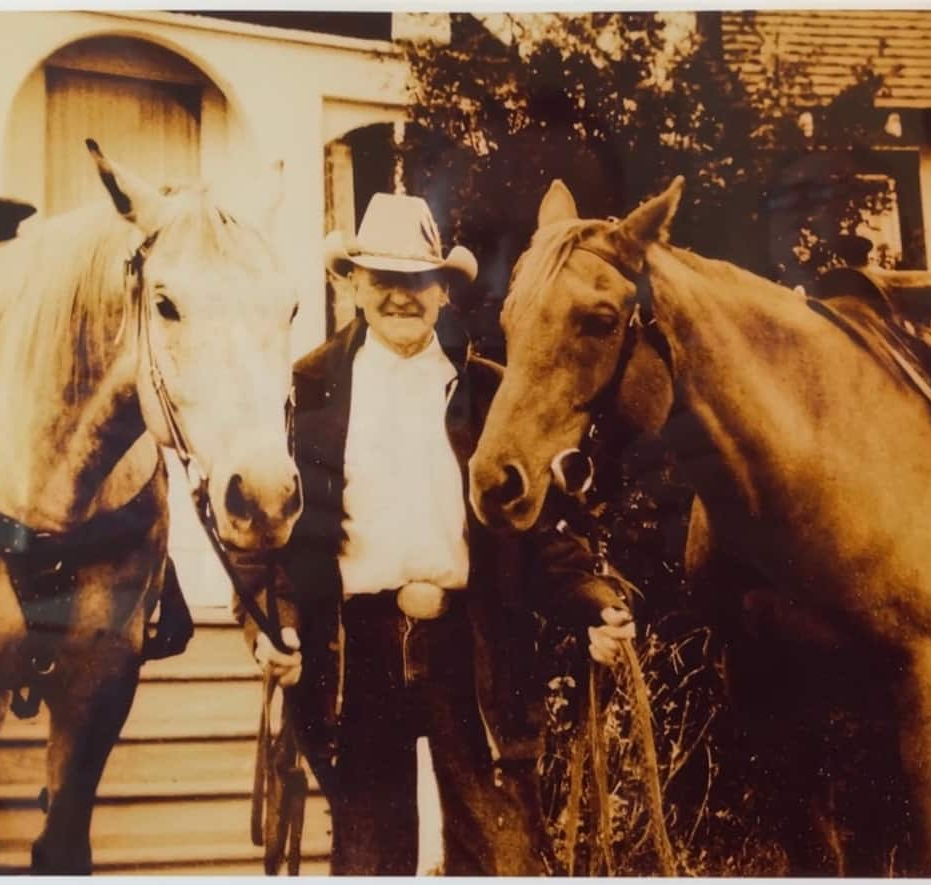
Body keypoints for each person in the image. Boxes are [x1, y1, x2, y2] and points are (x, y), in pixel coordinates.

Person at [237, 192, 635, 875]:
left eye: (416, 280)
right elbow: (273, 538)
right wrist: (275, 628)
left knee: (504, 852)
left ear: (444, 292)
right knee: (369, 858)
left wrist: (596, 602)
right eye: (382, 279)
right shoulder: (308, 391)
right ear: (353, 284)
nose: (400, 297)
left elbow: (534, 532)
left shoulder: (489, 392)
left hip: (475, 649)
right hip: (356, 656)